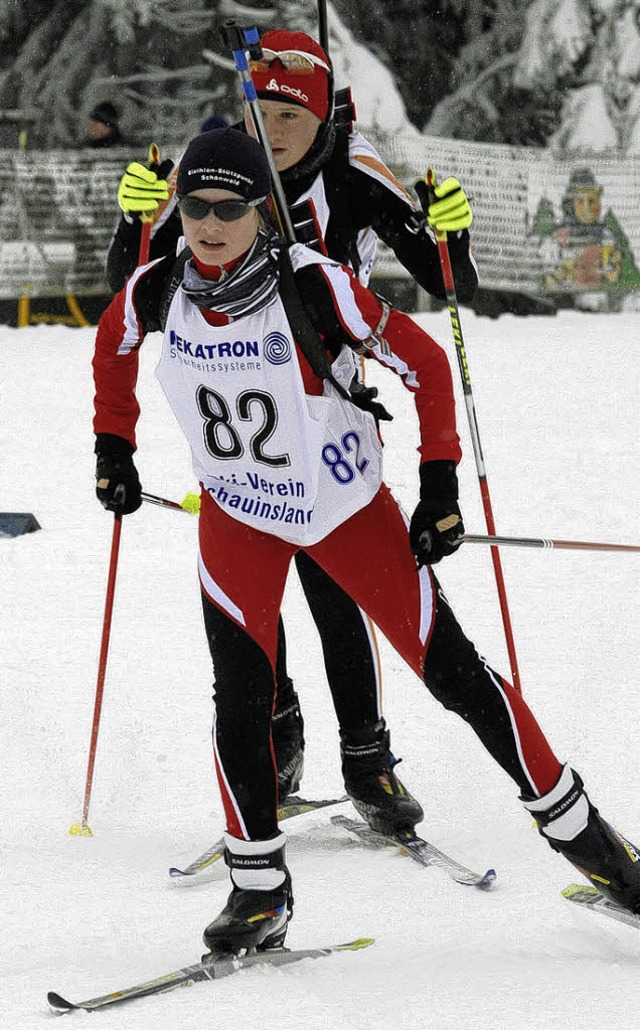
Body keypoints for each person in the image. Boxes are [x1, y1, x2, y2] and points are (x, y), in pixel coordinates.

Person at [93, 127, 640, 956]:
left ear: (260, 212)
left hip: (344, 509)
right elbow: (111, 346)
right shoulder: (157, 286)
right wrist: (114, 447)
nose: (208, 223)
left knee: (455, 674)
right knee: (240, 695)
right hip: (238, 514)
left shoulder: (313, 283)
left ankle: (593, 845)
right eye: (194, 206)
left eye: (229, 207)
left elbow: (424, 363)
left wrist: (442, 485)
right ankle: (258, 891)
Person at [103, 29, 477, 833]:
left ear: (321, 115)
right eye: (258, 109)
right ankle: (281, 740)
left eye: (287, 115)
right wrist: (132, 219)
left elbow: (448, 282)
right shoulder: (225, 175)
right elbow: (133, 288)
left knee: (337, 592)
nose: (270, 129)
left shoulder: (354, 172)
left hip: (330, 404)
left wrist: (452, 230)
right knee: (250, 600)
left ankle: (367, 762)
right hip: (238, 407)